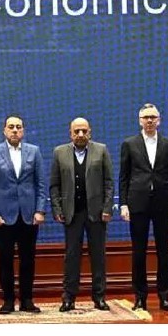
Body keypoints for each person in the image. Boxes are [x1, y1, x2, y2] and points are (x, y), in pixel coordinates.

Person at [0, 115, 49, 314]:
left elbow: (41, 184)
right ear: (4, 130)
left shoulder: (34, 151)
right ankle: (8, 300)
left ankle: (27, 300)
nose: (15, 130)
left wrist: (40, 210)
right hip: (3, 217)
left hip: (29, 215)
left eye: (18, 127)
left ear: (23, 131)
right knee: (5, 261)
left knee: (28, 260)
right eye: (11, 127)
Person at [119, 103, 168, 311]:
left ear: (159, 120)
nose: (149, 120)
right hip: (137, 204)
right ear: (140, 121)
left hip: (163, 203)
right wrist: (123, 204)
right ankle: (140, 297)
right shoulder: (129, 144)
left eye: (153, 117)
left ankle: (165, 296)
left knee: (164, 251)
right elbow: (124, 177)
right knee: (139, 252)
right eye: (146, 117)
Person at [49, 117, 114, 312]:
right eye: (76, 131)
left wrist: (107, 208)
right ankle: (69, 298)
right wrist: (57, 209)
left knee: (98, 256)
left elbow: (109, 183)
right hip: (72, 214)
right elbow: (54, 185)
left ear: (89, 132)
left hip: (96, 213)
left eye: (84, 131)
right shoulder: (59, 152)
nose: (80, 134)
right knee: (71, 257)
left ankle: (99, 297)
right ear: (70, 133)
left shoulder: (101, 150)